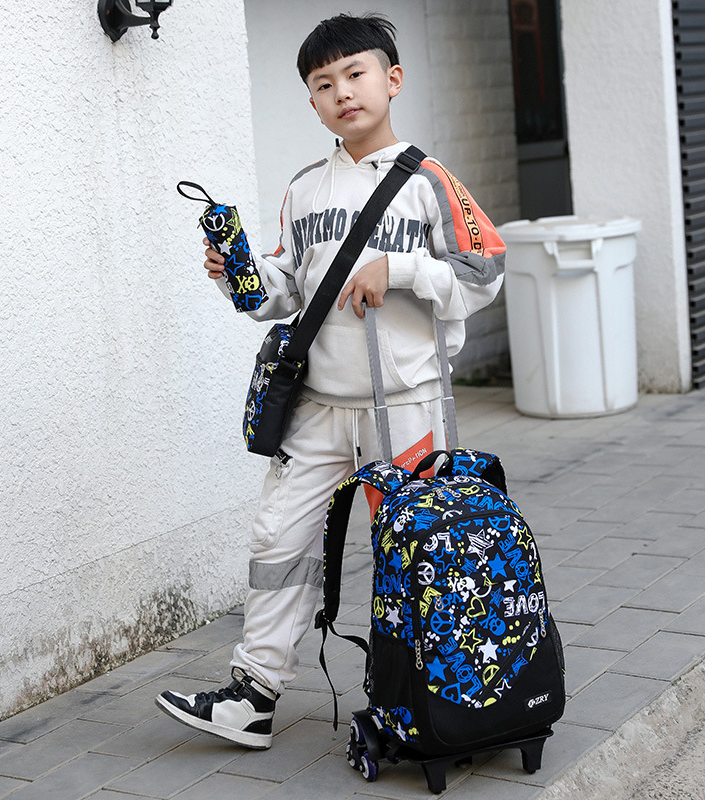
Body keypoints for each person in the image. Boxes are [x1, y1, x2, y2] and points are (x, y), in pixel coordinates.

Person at [156, 13, 506, 749]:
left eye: (356, 73)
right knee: (278, 540)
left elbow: (486, 270)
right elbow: (283, 293)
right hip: (317, 406)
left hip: (404, 408)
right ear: (312, 102)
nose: (342, 91)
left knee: (412, 553)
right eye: (324, 83)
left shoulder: (430, 181)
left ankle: (423, 701)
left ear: (392, 79)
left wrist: (401, 268)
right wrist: (239, 278)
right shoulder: (305, 187)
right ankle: (252, 696)